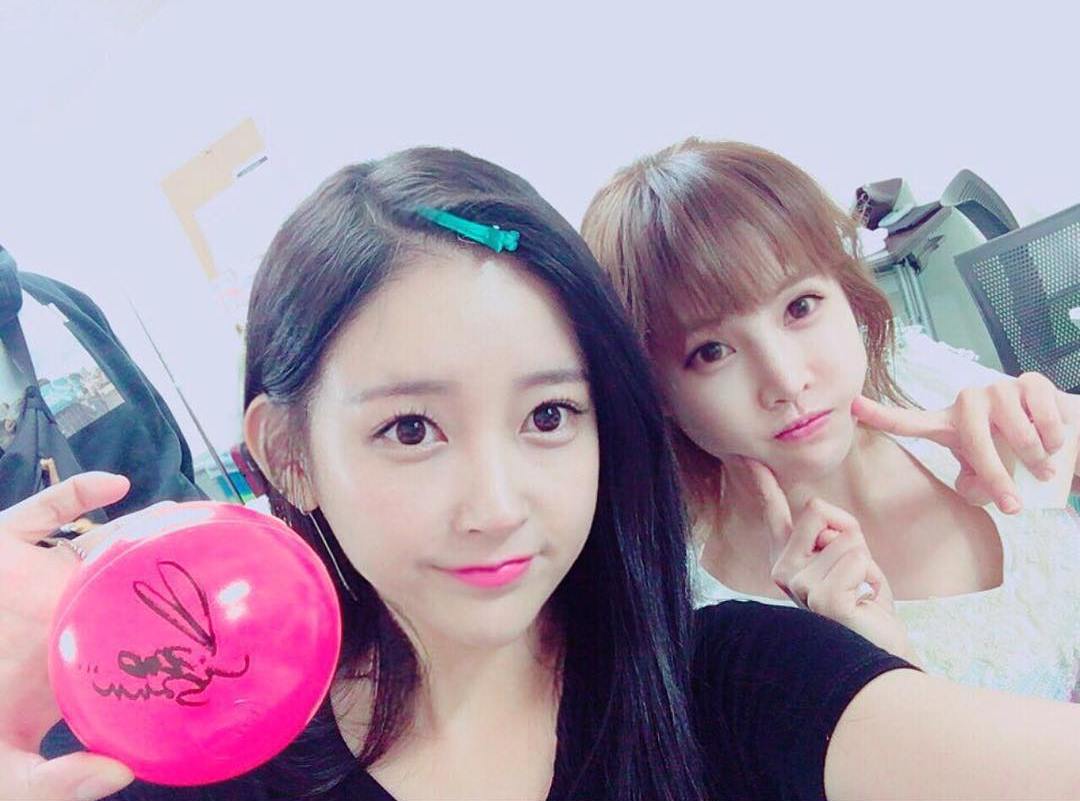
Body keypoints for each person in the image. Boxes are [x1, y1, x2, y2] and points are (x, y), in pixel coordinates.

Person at [3, 147, 1080, 801]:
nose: (497, 506)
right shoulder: (197, 754)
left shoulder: (735, 684)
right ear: (289, 454)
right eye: (412, 429)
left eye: (550, 416)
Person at [581, 138, 1080, 696]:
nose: (786, 380)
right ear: (656, 391)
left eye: (800, 307)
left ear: (845, 290)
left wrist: (1068, 441)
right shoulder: (708, 627)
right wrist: (874, 676)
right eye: (712, 352)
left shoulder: (920, 375)